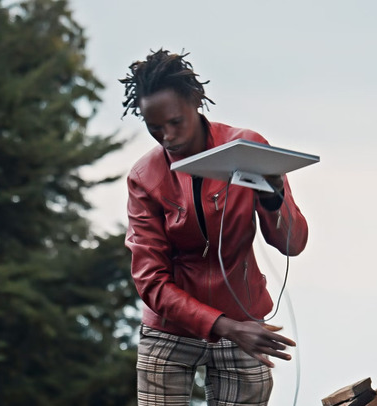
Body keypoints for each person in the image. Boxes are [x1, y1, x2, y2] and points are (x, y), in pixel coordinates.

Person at [121, 48, 309, 406]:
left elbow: (293, 243)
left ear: (196, 102)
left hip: (246, 322)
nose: (167, 136)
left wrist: (274, 198)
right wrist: (224, 327)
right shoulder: (144, 177)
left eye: (175, 122)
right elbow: (151, 281)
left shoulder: (246, 147)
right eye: (154, 127)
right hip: (170, 330)